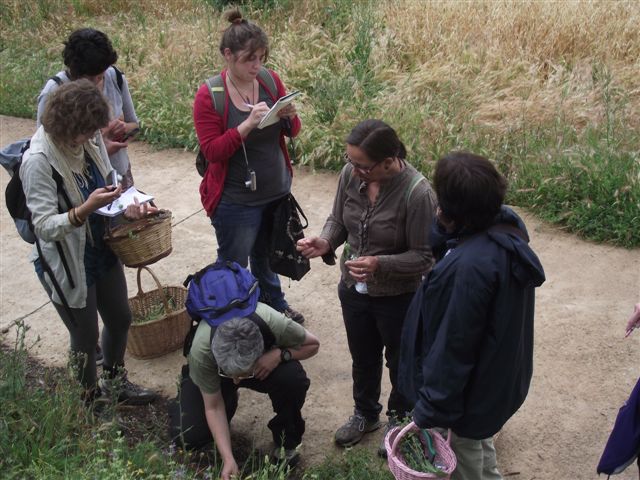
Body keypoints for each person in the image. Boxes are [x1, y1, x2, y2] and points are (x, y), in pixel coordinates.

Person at [398, 152, 546, 480]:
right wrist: (446, 225)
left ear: (451, 208)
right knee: (480, 444)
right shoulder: (503, 233)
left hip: (464, 399)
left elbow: (454, 346)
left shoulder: (466, 269)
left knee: (463, 460)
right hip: (491, 385)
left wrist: (429, 409)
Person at [296, 119, 437, 454]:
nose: (353, 169)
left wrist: (380, 264)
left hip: (399, 297)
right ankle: (365, 414)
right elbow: (338, 220)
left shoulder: (418, 194)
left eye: (361, 165)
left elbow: (425, 257)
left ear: (389, 161)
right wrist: (326, 241)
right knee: (363, 356)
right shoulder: (351, 175)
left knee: (401, 361)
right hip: (353, 290)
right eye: (350, 161)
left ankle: (399, 421)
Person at [20, 80, 157, 406]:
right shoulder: (38, 161)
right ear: (69, 125)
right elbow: (43, 227)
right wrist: (84, 210)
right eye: (88, 131)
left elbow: (110, 184)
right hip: (66, 259)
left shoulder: (90, 140)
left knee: (121, 317)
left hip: (100, 246)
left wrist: (129, 206)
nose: (94, 137)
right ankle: (88, 399)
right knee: (84, 336)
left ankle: (114, 381)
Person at [193, 9, 304, 324]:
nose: (257, 66)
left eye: (261, 57)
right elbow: (212, 151)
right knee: (233, 262)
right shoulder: (210, 95)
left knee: (267, 258)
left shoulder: (269, 80)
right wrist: (247, 125)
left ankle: (274, 305)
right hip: (235, 201)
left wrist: (289, 116)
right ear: (228, 55)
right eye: (249, 59)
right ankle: (232, 315)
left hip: (275, 191)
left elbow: (292, 132)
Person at [187, 299, 320, 479]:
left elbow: (313, 345)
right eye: (231, 374)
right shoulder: (201, 352)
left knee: (292, 379)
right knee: (192, 436)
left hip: (266, 364)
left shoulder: (272, 321)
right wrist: (228, 459)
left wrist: (281, 354)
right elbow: (213, 406)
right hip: (214, 372)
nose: (237, 381)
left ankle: (286, 440)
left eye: (242, 374)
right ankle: (228, 398)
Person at [37, 28, 139, 188]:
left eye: (101, 76)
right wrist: (100, 147)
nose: (97, 82)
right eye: (91, 78)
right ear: (75, 71)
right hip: (78, 184)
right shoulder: (54, 91)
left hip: (118, 174)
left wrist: (123, 129)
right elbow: (45, 149)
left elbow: (135, 125)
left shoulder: (115, 76)